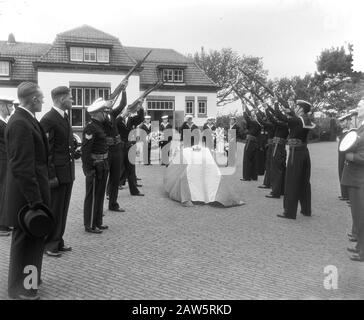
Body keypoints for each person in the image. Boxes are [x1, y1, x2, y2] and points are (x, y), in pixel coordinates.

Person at [4, 82, 51, 300]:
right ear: (32, 99)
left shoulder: (27, 119)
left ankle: (32, 279)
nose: (43, 101)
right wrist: (35, 200)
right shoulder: (20, 123)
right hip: (27, 196)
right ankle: (22, 289)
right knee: (26, 244)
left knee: (33, 243)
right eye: (41, 98)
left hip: (31, 193)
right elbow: (22, 166)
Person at [40, 86, 78, 257]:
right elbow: (46, 152)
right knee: (55, 209)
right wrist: (51, 176)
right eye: (70, 98)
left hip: (67, 172)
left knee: (62, 210)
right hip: (57, 175)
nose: (72, 100)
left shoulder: (63, 116)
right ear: (62, 99)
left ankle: (58, 240)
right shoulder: (49, 119)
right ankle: (49, 244)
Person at [274, 100, 315, 219]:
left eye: (297, 107)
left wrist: (276, 103)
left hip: (295, 153)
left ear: (301, 109)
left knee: (291, 182)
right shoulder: (306, 119)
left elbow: (280, 116)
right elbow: (295, 119)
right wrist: (290, 111)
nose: (295, 108)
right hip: (304, 152)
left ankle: (289, 212)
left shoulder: (297, 120)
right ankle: (306, 210)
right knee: (304, 182)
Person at [81, 99, 111, 233]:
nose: (106, 114)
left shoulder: (100, 125)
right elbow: (86, 150)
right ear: (98, 113)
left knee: (99, 195)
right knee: (92, 196)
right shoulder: (91, 127)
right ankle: (90, 225)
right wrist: (88, 169)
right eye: (104, 112)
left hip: (103, 164)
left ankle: (98, 221)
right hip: (94, 166)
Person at [342, 99, 364, 262]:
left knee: (361, 215)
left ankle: (363, 251)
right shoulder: (361, 127)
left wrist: (352, 156)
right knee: (357, 216)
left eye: (360, 106)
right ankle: (359, 246)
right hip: (355, 177)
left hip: (360, 178)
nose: (358, 108)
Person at [104, 80, 128, 212]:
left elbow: (123, 104)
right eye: (109, 101)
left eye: (112, 101)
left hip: (117, 149)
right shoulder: (99, 115)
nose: (111, 102)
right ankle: (97, 209)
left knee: (115, 177)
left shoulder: (113, 113)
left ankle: (113, 204)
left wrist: (123, 90)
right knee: (103, 179)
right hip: (106, 150)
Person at [116, 99, 145, 196]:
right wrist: (122, 115)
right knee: (117, 169)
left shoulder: (131, 120)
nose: (129, 113)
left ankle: (134, 191)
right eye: (127, 111)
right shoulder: (117, 120)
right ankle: (111, 191)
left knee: (131, 170)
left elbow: (140, 118)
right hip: (120, 147)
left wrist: (140, 107)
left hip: (129, 147)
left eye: (130, 111)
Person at [265, 104, 289, 198]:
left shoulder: (283, 124)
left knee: (276, 170)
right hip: (279, 147)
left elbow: (273, 118)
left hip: (277, 147)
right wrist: (269, 107)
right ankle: (281, 190)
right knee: (280, 169)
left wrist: (268, 108)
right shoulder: (284, 123)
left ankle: (276, 192)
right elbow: (275, 114)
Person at [0, 97, 14, 237]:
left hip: (6, 160)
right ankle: (1, 225)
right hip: (2, 160)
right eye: (9, 106)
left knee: (4, 191)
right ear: (3, 106)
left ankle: (4, 222)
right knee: (2, 191)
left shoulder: (5, 122)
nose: (12, 108)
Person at [241, 108, 261, 181]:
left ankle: (246, 177)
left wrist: (244, 109)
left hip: (250, 142)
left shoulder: (253, 123)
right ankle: (254, 176)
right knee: (254, 159)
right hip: (255, 142)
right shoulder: (258, 124)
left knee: (247, 159)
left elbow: (247, 118)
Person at [256, 108, 274, 189]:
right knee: (268, 164)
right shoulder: (272, 123)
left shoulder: (271, 124)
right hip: (270, 144)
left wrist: (256, 112)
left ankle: (268, 183)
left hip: (270, 145)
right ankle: (268, 183)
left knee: (269, 164)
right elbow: (264, 117)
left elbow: (262, 121)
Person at [337, 118, 351, 201]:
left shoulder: (349, 133)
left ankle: (347, 195)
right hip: (341, 156)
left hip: (345, 156)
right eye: (341, 122)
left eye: (343, 121)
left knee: (345, 173)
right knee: (341, 173)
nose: (341, 124)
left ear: (348, 122)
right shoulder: (343, 132)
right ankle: (344, 194)